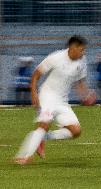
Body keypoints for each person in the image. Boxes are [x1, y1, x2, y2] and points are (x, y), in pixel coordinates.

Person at [14, 35, 95, 164]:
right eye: (81, 49)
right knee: (44, 124)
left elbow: (80, 83)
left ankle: (42, 137)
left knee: (75, 131)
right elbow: (36, 75)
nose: (83, 53)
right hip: (47, 97)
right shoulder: (55, 57)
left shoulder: (82, 61)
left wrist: (86, 95)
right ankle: (25, 156)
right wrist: (34, 94)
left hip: (62, 101)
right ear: (72, 47)